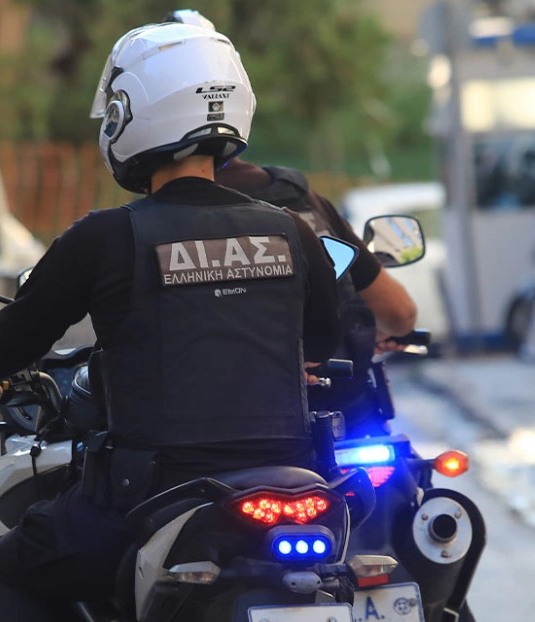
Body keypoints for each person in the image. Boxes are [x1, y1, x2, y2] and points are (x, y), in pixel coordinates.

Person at [0, 22, 340, 621]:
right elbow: (322, 342)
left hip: (150, 493)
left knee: (8, 571)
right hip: (292, 483)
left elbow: (20, 333)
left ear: (131, 113)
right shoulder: (291, 230)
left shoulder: (108, 236)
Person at [160, 10, 417, 434]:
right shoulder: (300, 202)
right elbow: (400, 313)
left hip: (214, 437)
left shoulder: (142, 225)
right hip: (342, 420)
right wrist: (380, 332)